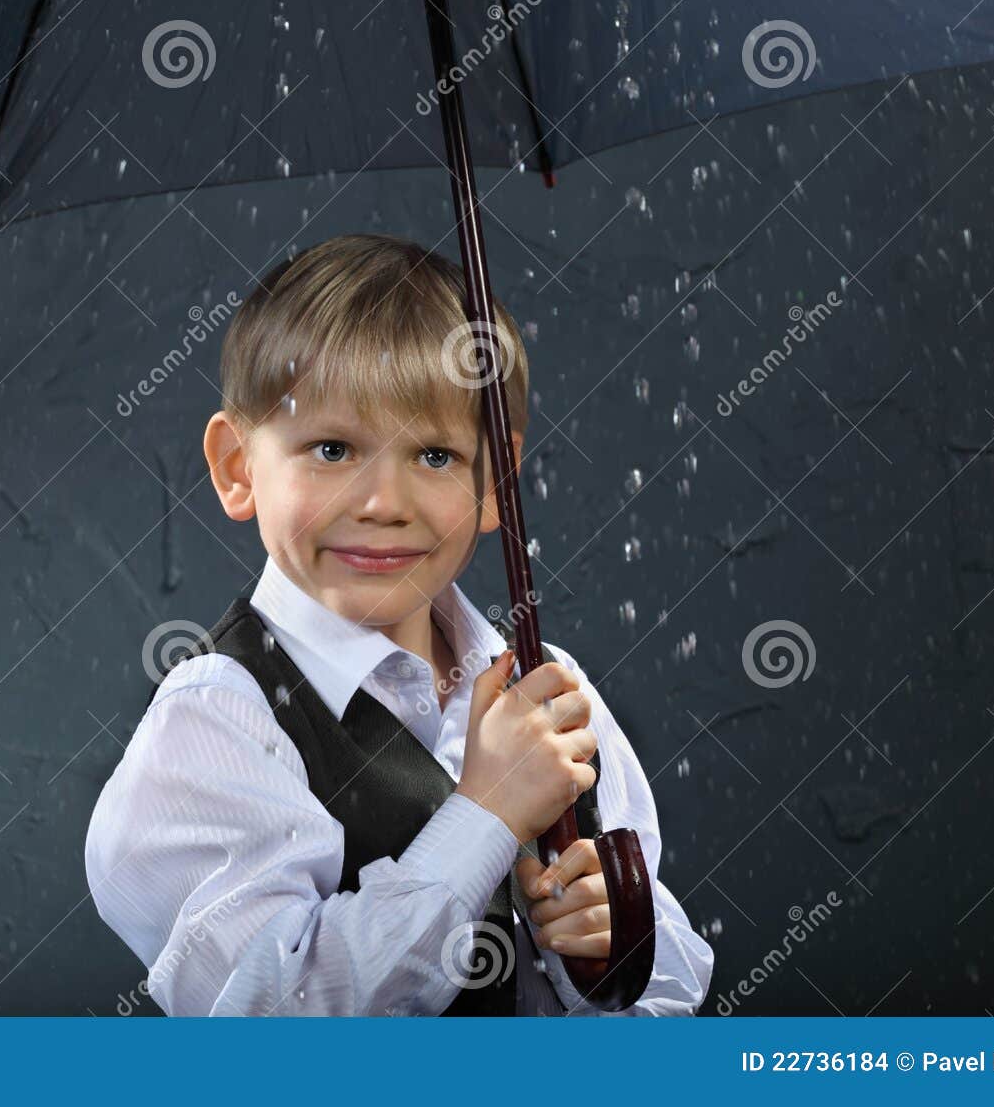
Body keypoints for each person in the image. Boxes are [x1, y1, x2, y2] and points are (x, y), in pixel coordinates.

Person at [85, 233, 713, 1015]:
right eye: (332, 447)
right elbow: (278, 1017)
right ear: (238, 466)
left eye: (438, 457)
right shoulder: (218, 722)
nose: (384, 501)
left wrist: (606, 953)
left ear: (498, 485)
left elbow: (670, 991)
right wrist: (483, 817)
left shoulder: (548, 688)